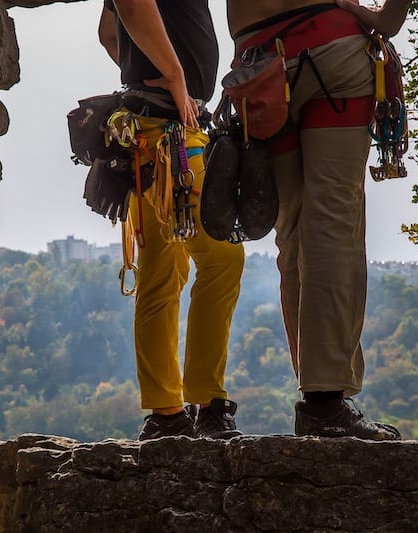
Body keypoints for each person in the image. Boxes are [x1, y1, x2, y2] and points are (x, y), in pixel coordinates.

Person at [225, 0, 411, 440]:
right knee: (332, 223)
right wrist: (387, 21)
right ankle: (324, 401)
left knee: (292, 231)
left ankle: (318, 395)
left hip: (258, 66)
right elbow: (390, 17)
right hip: (333, 49)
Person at [98, 0, 245, 440]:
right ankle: (207, 404)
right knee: (221, 258)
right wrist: (176, 77)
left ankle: (166, 414)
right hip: (170, 129)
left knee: (164, 271)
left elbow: (109, 32)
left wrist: (152, 68)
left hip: (155, 127)